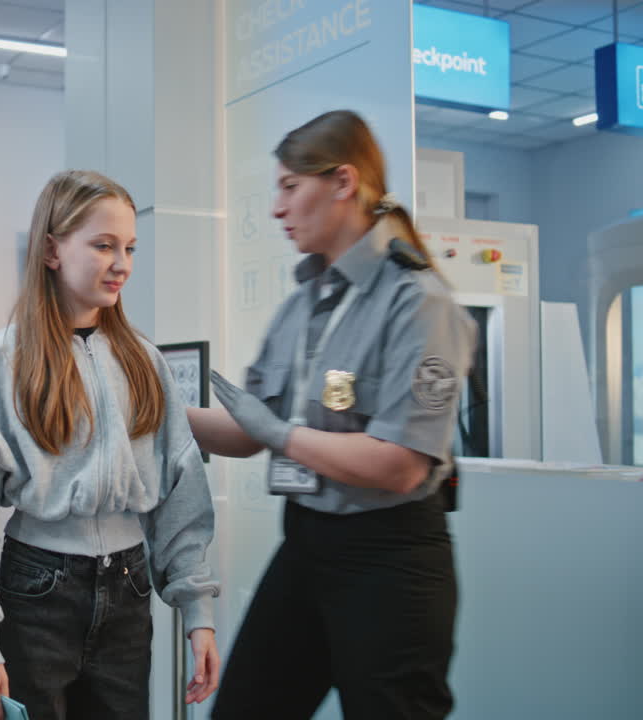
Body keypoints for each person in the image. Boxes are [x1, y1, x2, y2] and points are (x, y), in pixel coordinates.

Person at [188, 111, 476, 719]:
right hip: (308, 543)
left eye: (290, 187)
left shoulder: (418, 302)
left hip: (390, 558)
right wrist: (146, 410)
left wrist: (280, 434)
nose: (276, 208)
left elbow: (399, 466)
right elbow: (247, 432)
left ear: (344, 182)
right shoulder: (303, 305)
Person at [0, 170, 220, 720]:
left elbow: (180, 486)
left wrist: (196, 608)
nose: (122, 263)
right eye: (104, 245)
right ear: (52, 250)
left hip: (129, 592)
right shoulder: (3, 360)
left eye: (129, 247)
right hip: (35, 593)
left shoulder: (143, 361)